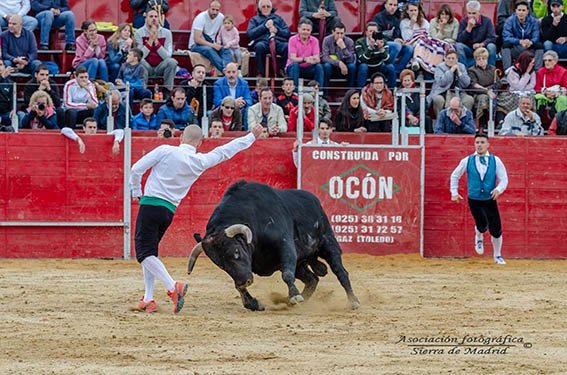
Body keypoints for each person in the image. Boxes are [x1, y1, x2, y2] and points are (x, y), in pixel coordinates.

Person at [128, 123, 264, 313]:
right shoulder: (200, 160)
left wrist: (136, 190)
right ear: (200, 143)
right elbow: (226, 150)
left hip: (150, 205)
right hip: (168, 211)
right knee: (150, 253)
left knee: (144, 254)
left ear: (181, 137)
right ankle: (149, 298)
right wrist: (251, 137)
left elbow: (136, 169)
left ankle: (173, 287)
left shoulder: (165, 150)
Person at [450, 133, 508, 265]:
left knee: (496, 228)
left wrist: (499, 189)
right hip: (474, 199)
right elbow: (455, 175)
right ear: (474, 144)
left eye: (482, 142)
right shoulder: (467, 160)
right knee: (482, 225)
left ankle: (497, 255)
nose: (480, 145)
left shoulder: (495, 160)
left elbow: (504, 178)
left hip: (490, 198)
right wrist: (454, 192)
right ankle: (479, 236)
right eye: (477, 142)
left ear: (488, 145)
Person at [135, 9, 178, 94]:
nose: (154, 19)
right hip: (146, 66)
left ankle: (167, 91)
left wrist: (157, 43)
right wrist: (150, 41)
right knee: (140, 61)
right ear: (146, 18)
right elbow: (140, 56)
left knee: (172, 62)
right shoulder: (138, 33)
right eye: (151, 16)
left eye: (156, 16)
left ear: (159, 19)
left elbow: (167, 56)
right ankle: (143, 91)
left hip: (160, 66)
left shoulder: (167, 33)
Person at [246, 0, 290, 78]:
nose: (266, 8)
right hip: (263, 42)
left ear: (271, 8)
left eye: (268, 6)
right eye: (263, 6)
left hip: (277, 41)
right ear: (259, 8)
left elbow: (287, 33)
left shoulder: (278, 18)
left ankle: (282, 70)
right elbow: (250, 34)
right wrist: (264, 26)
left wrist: (277, 30)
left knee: (286, 46)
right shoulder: (254, 19)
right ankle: (260, 73)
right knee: (259, 47)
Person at [427, 50, 474, 117]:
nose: (451, 60)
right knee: (438, 100)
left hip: (458, 92)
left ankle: (463, 122)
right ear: (445, 58)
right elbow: (442, 82)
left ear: (457, 60)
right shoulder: (439, 67)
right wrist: (451, 71)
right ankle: (440, 121)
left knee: (469, 99)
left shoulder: (461, 66)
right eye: (449, 58)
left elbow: (466, 83)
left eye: (453, 58)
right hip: (442, 91)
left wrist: (459, 73)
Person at [189, 0, 231, 73]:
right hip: (195, 45)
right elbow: (197, 39)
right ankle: (227, 71)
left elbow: (224, 32)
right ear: (209, 8)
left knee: (226, 50)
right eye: (213, 9)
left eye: (217, 10)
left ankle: (227, 68)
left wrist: (223, 44)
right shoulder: (201, 17)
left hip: (212, 43)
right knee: (209, 50)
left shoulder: (221, 17)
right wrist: (213, 45)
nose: (214, 12)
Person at [372, 0, 413, 75]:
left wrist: (401, 40)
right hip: (380, 44)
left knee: (409, 48)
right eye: (390, 4)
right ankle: (386, 68)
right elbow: (376, 35)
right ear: (385, 5)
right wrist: (394, 40)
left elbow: (397, 34)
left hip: (394, 44)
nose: (392, 7)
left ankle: (396, 71)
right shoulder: (378, 17)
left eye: (395, 5)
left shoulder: (396, 19)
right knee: (396, 45)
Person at [502, 1, 544, 71]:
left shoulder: (534, 21)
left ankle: (538, 72)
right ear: (515, 11)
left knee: (539, 45)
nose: (521, 12)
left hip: (529, 48)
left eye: (523, 10)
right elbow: (506, 37)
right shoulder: (509, 21)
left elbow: (536, 36)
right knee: (505, 45)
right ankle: (507, 72)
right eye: (519, 10)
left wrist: (530, 42)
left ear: (527, 11)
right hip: (516, 47)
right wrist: (519, 41)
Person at [456, 1, 498, 68]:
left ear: (479, 12)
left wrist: (482, 44)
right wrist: (468, 28)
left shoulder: (487, 21)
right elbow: (459, 40)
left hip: (483, 48)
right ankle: (464, 71)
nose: (471, 15)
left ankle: (490, 71)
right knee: (458, 46)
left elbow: (492, 38)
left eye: (474, 13)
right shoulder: (464, 21)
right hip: (469, 48)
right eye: (469, 13)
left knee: (492, 46)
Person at [498, 50, 536, 123]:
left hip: (527, 92)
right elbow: (517, 87)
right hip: (512, 92)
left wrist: (523, 88)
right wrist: (527, 73)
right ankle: (503, 121)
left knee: (530, 99)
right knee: (513, 99)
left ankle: (528, 119)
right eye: (531, 63)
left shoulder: (532, 70)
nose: (533, 64)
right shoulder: (512, 70)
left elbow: (532, 84)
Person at [285, 18, 324, 88]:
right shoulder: (292, 40)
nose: (305, 32)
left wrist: (312, 60)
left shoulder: (315, 40)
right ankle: (295, 93)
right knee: (295, 65)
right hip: (294, 68)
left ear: (311, 31)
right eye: (303, 29)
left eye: (308, 30)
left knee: (319, 67)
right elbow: (293, 58)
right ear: (298, 29)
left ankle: (319, 93)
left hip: (308, 67)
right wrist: (305, 59)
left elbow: (317, 59)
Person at [213, 62, 252, 128]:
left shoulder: (244, 83)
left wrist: (243, 102)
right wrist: (233, 103)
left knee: (248, 110)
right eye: (229, 72)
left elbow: (249, 101)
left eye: (233, 72)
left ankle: (246, 133)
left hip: (240, 110)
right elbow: (217, 101)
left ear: (237, 72)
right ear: (225, 72)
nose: (231, 75)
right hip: (224, 111)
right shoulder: (218, 84)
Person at [468, 47, 499, 129]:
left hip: (493, 92)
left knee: (505, 97)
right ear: (475, 60)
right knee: (484, 98)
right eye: (479, 59)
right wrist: (486, 91)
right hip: (479, 94)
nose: (481, 60)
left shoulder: (493, 69)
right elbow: (473, 85)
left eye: (483, 58)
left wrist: (490, 89)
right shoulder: (472, 70)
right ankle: (482, 124)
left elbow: (498, 83)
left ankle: (500, 122)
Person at [321, 22, 356, 94]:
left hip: (345, 68)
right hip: (332, 66)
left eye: (342, 33)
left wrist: (343, 48)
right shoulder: (327, 40)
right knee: (327, 66)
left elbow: (351, 60)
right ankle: (325, 93)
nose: (340, 36)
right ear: (333, 32)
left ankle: (350, 93)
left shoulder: (349, 41)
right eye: (337, 33)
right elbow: (324, 57)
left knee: (352, 67)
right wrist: (339, 63)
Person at [398, 69, 433, 133]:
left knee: (427, 119)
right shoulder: (398, 93)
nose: (407, 83)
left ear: (413, 81)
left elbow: (424, 106)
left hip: (418, 117)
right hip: (406, 117)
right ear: (402, 82)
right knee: (400, 119)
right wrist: (409, 116)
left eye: (409, 80)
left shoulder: (419, 91)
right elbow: (398, 108)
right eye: (405, 80)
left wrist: (417, 118)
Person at [534, 50, 567, 116]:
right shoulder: (540, 72)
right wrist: (546, 92)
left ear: (555, 61)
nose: (547, 62)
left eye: (549, 60)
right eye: (545, 60)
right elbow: (537, 87)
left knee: (562, 99)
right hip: (545, 95)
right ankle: (536, 118)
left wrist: (556, 94)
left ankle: (558, 119)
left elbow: (566, 87)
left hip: (558, 95)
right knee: (537, 97)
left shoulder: (563, 71)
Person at [0, 60, 16, 130]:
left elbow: (13, 98)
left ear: (4, 67)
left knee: (17, 116)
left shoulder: (10, 82)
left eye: (0, 65)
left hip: (5, 113)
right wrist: (1, 77)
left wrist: (13, 109)